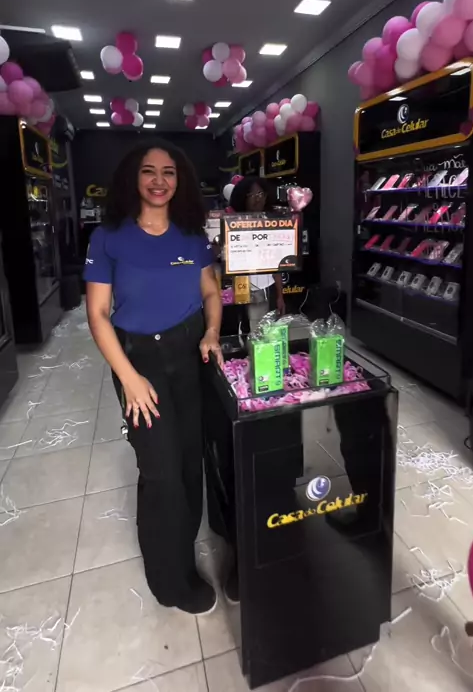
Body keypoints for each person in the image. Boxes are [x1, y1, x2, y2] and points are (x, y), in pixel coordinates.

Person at [84, 141, 223, 616]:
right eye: (149, 171)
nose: (159, 181)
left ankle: (183, 555)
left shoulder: (191, 235)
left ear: (180, 180)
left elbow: (211, 292)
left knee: (189, 463)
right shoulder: (108, 237)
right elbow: (98, 315)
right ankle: (170, 583)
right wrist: (129, 378)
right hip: (139, 361)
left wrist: (212, 332)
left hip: (189, 355)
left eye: (169, 172)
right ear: (134, 178)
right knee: (161, 472)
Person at [229, 176, 285, 331]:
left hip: (268, 287)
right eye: (251, 195)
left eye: (260, 194)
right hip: (242, 288)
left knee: (269, 331)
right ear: (243, 197)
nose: (257, 199)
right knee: (246, 331)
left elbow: (277, 263)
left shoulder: (273, 224)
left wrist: (280, 296)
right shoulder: (232, 224)